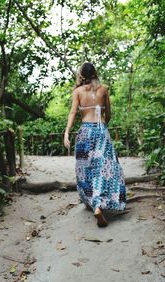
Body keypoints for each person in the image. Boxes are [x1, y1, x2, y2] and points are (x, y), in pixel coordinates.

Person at [64, 62, 127, 227]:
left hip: (85, 131)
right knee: (105, 166)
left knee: (85, 169)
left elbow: (72, 113)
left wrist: (67, 132)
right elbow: (109, 114)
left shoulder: (77, 91)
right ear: (95, 73)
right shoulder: (104, 89)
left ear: (81, 75)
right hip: (100, 131)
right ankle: (100, 203)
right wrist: (103, 127)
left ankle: (94, 202)